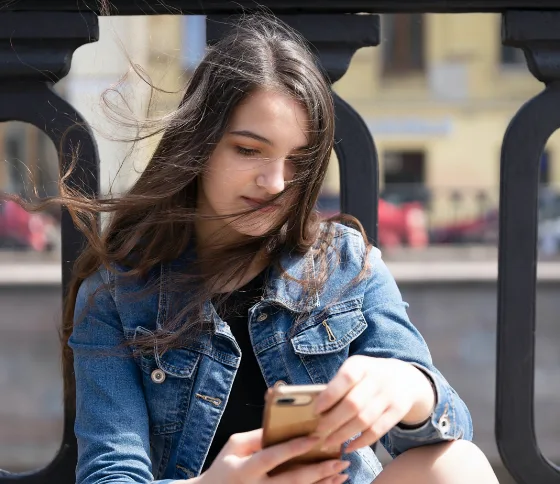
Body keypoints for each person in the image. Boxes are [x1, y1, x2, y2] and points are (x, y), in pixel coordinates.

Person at [59, 13, 499, 484]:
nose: (274, 183)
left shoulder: (345, 263)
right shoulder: (118, 295)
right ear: (199, 145)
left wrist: (411, 388)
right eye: (249, 150)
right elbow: (111, 475)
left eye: (298, 160)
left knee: (458, 465)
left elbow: (447, 430)